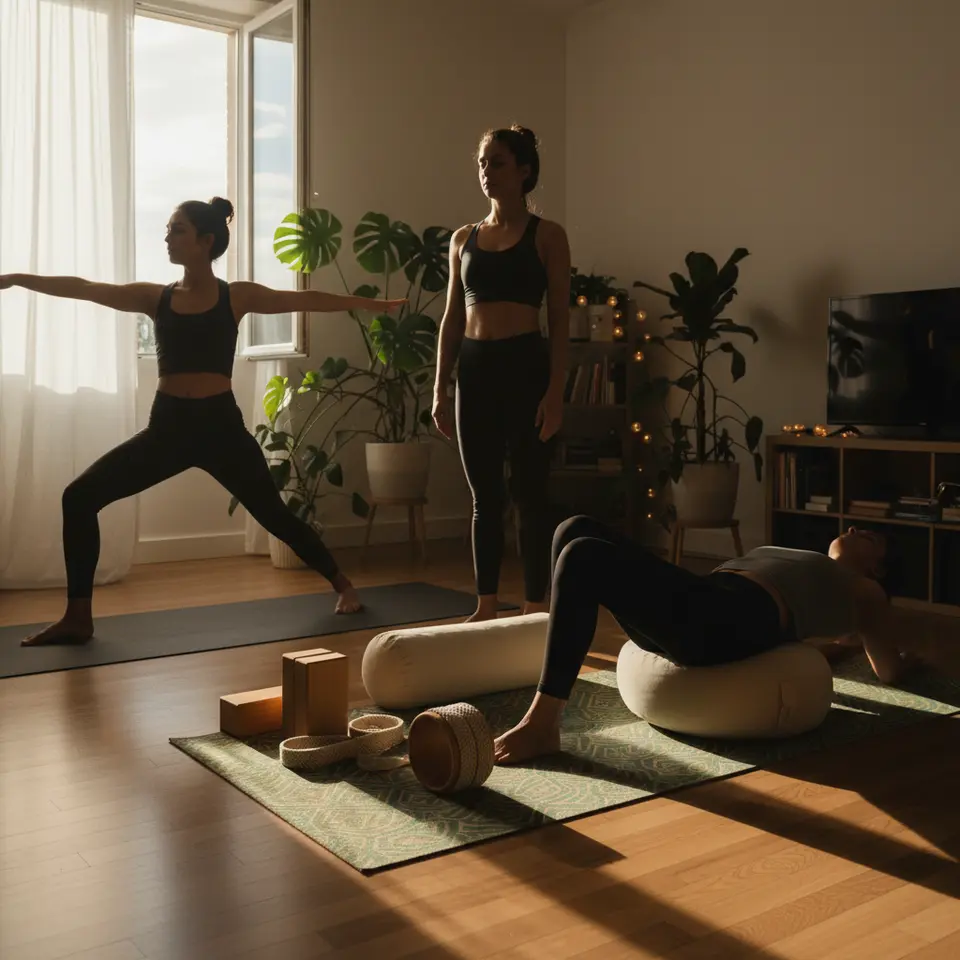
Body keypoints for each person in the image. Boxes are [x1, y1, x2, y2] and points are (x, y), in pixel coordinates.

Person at [0, 197, 405, 646]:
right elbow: (87, 287)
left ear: (205, 241)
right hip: (168, 429)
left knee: (276, 516)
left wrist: (370, 305)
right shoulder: (157, 297)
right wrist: (18, 279)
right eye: (169, 229)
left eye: (177, 230)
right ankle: (78, 617)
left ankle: (343, 585)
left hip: (220, 430)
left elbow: (302, 297)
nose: (168, 237)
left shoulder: (237, 296)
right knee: (79, 497)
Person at [494, 516, 915, 764]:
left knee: (583, 554)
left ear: (876, 569)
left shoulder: (864, 589)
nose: (856, 527)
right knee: (574, 527)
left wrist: (901, 656)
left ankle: (543, 723)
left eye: (870, 537)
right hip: (704, 599)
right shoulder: (812, 562)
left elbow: (888, 669)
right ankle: (555, 663)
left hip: (728, 620)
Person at [432, 125, 571, 622]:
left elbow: (559, 320)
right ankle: (486, 604)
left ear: (525, 171)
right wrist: (439, 388)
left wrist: (555, 392)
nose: (486, 172)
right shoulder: (463, 239)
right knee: (483, 496)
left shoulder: (548, 236)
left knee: (530, 493)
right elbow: (451, 317)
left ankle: (536, 605)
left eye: (497, 163)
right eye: (482, 163)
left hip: (526, 366)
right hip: (475, 369)